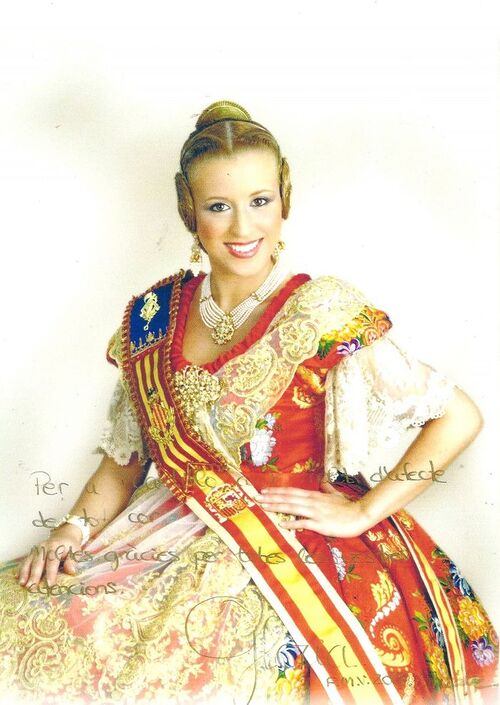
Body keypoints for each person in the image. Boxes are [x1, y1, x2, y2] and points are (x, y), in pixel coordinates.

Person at [0, 99, 497, 705]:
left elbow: (458, 417)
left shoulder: (322, 310)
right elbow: (123, 464)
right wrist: (70, 531)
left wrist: (364, 513)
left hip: (291, 546)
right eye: (219, 206)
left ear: (284, 198)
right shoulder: (153, 317)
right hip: (164, 533)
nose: (243, 227)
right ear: (189, 211)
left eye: (260, 201)